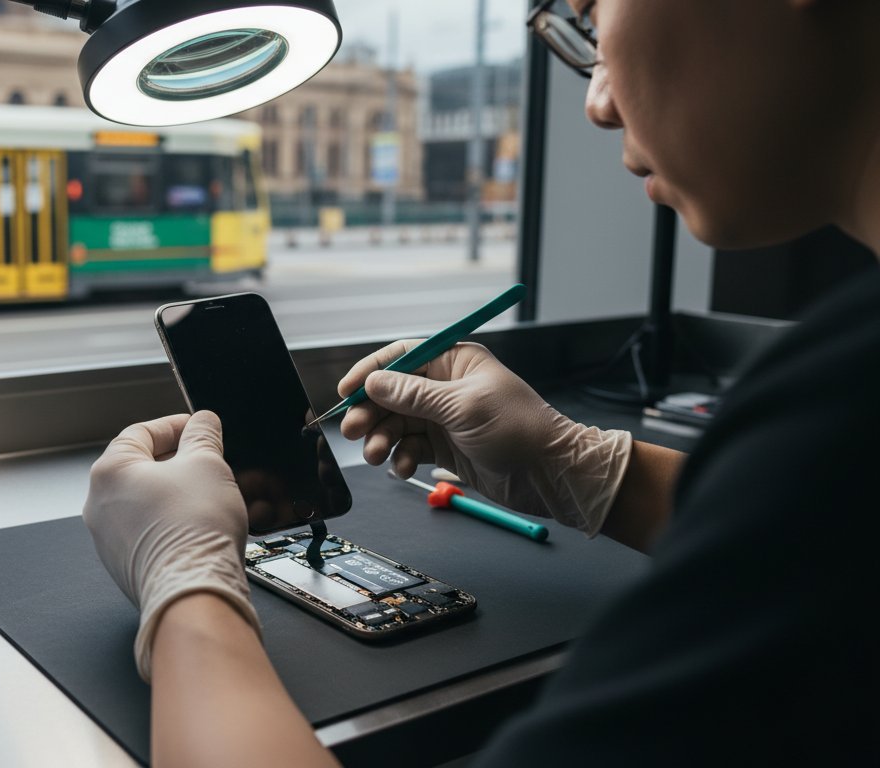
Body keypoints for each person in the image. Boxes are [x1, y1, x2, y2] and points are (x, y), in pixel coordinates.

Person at [82, 0, 880, 764]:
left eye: (592, 20)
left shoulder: (838, 404)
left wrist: (185, 595)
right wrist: (589, 471)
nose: (598, 103)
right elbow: (836, 541)